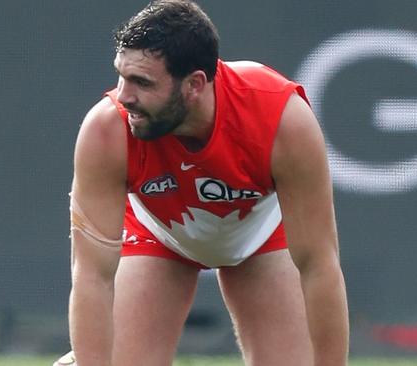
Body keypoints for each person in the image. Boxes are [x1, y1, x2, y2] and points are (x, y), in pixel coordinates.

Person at [55, 0, 349, 365]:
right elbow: (92, 276)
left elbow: (319, 264)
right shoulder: (106, 129)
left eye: (142, 83)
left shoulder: (281, 118)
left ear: (194, 84)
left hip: (260, 234)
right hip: (159, 232)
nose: (125, 96)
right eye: (122, 76)